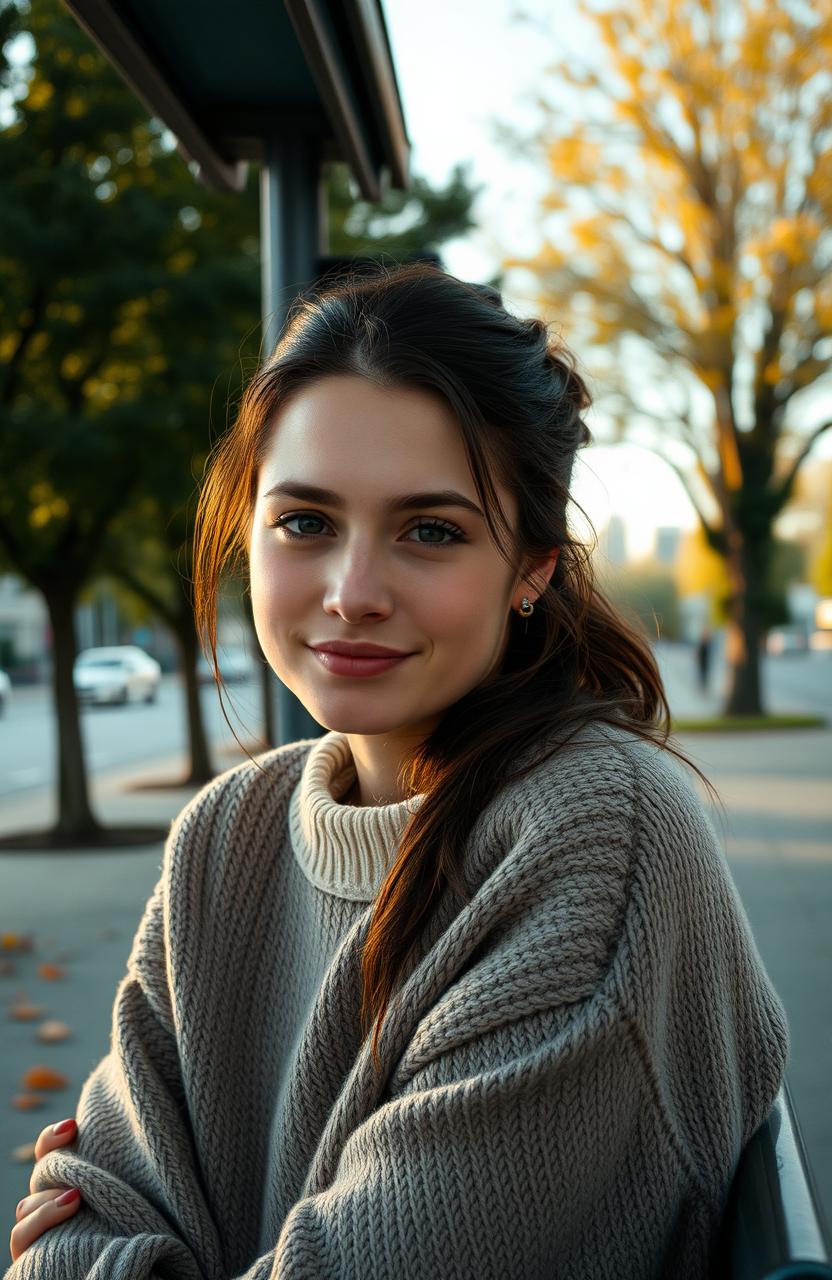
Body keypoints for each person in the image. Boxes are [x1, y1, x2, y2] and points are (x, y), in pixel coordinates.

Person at [9, 262, 790, 1279]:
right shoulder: (227, 833)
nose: (353, 591)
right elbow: (88, 1207)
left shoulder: (595, 838)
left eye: (431, 531)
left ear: (533, 567)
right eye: (305, 521)